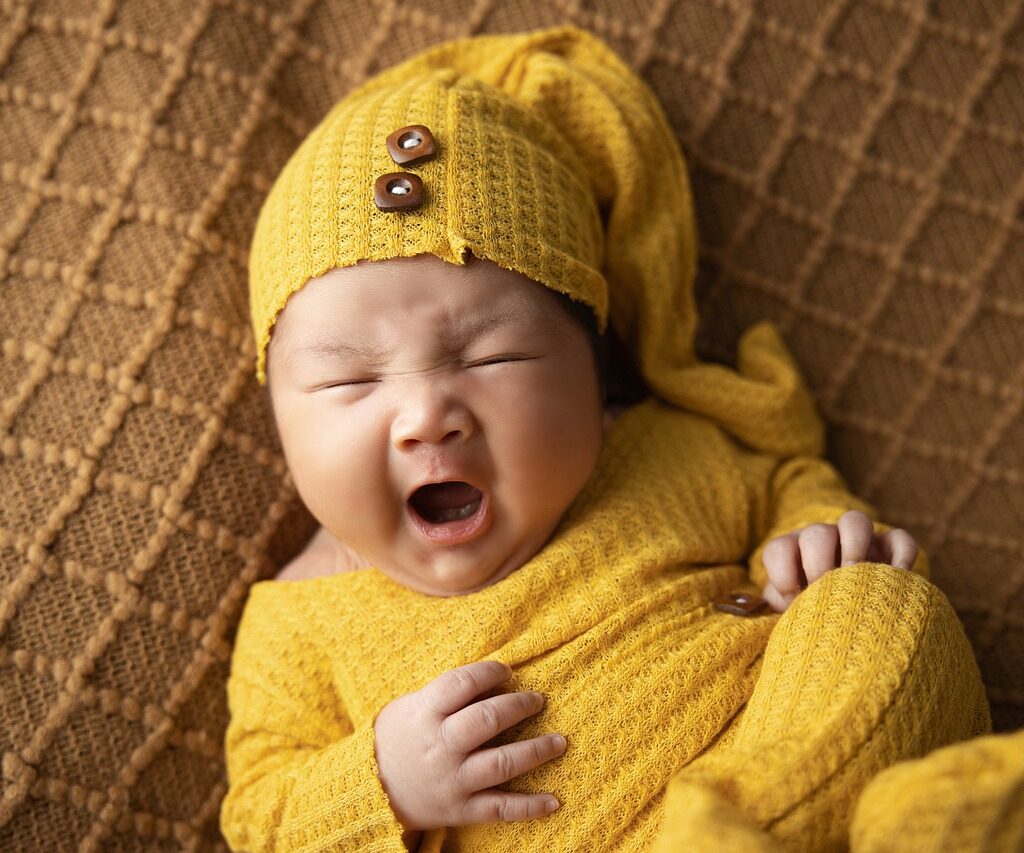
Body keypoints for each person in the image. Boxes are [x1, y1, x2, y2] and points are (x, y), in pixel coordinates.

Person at [219, 26, 990, 852]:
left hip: (786, 777)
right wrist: (386, 784)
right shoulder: (295, 622)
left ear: (593, 369)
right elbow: (259, 816)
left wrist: (813, 543)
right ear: (279, 412)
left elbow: (786, 483)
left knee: (885, 602)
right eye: (351, 381)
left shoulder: (669, 451)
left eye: (492, 355)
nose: (426, 416)